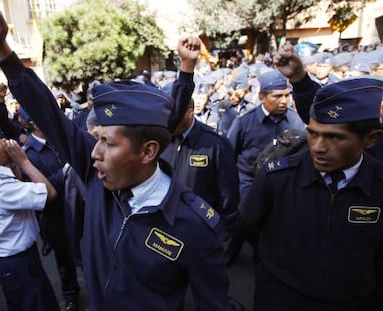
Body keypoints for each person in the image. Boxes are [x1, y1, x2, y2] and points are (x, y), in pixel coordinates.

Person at [0, 6, 232, 310]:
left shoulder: (194, 225)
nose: (94, 152)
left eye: (107, 142)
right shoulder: (96, 176)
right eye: (96, 139)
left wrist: (186, 72)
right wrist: (2, 51)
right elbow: (50, 116)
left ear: (147, 152)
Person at [237, 76, 383, 310]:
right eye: (313, 133)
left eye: (335, 137)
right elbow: (248, 227)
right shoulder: (277, 178)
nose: (318, 147)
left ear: (371, 139)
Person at [0, 116, 60, 311]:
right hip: (19, 262)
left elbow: (16, 186)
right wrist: (24, 161)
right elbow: (49, 193)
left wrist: (13, 163)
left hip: (4, 259)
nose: (5, 142)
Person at [224, 69, 306, 265]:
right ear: (261, 97)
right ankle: (233, 250)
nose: (283, 101)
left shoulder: (295, 120)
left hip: (280, 178)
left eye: (287, 95)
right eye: (277, 96)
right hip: (248, 178)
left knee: (272, 219)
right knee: (244, 217)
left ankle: (262, 256)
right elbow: (229, 152)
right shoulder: (244, 121)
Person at [18, 108, 80, 311]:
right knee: (64, 258)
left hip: (77, 205)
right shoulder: (29, 155)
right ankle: (71, 295)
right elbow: (39, 190)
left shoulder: (58, 139)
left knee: (88, 248)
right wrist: (64, 173)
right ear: (34, 123)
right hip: (55, 214)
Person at [160, 99, 239, 235]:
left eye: (174, 116)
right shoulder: (160, 140)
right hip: (164, 224)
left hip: (202, 227)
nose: (169, 121)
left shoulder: (215, 143)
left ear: (190, 113)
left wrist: (224, 230)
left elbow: (227, 193)